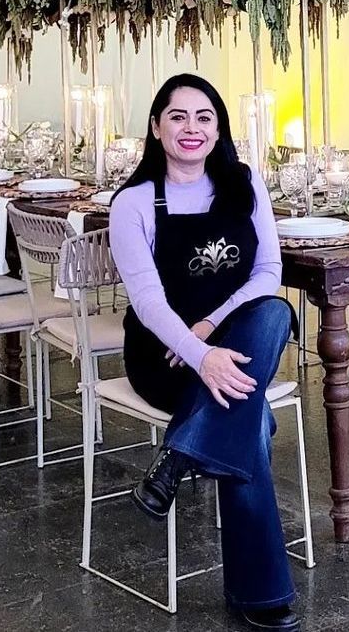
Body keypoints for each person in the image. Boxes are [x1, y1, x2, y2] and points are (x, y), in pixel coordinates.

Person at [108, 73, 301, 631]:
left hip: (235, 341)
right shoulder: (133, 203)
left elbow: (268, 273)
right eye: (178, 116)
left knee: (275, 312)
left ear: (218, 130)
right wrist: (197, 352)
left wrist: (212, 327)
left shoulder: (244, 183)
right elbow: (147, 303)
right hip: (164, 355)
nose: (191, 128)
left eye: (204, 117)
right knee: (249, 416)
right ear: (156, 127)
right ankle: (259, 595)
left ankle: (181, 453)